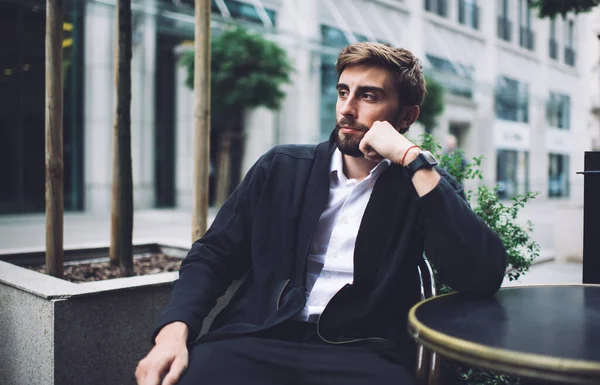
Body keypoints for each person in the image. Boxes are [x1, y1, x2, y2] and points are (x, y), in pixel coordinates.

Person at [135, 42, 507, 385]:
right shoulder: (281, 167)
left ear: (406, 116)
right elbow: (213, 254)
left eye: (368, 96)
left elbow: (479, 276)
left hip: (364, 350)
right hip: (260, 336)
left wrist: (413, 159)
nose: (347, 108)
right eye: (343, 92)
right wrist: (173, 333)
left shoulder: (422, 185)